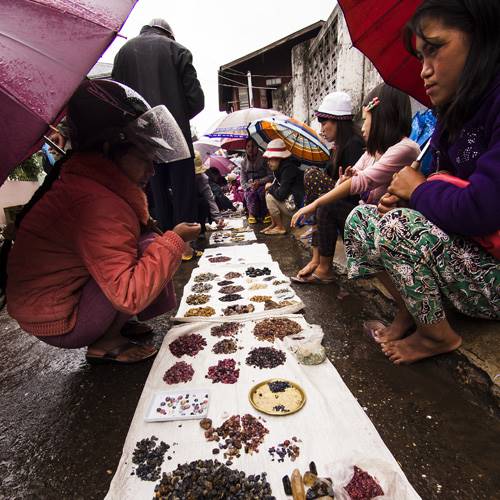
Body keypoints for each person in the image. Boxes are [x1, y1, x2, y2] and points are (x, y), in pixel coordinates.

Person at [343, 0, 500, 364]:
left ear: (481, 40)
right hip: (465, 253)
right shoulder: (452, 117)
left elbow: (482, 209)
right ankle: (410, 311)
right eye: (420, 58)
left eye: (434, 50)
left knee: (399, 227)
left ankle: (436, 337)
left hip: (492, 272)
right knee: (363, 220)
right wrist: (407, 197)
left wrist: (419, 189)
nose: (425, 71)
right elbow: (445, 192)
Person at [6, 79, 201, 364]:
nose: (151, 170)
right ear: (110, 149)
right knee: (151, 246)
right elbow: (128, 295)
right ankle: (105, 343)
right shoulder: (97, 202)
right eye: (144, 157)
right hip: (60, 321)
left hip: (49, 306)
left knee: (146, 240)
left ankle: (113, 325)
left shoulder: (89, 183)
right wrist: (175, 240)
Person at [291, 84, 420, 281]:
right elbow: (352, 179)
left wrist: (314, 204)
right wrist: (344, 180)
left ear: (380, 118)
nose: (362, 127)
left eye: (366, 119)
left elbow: (364, 180)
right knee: (328, 202)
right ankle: (321, 263)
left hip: (383, 223)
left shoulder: (405, 149)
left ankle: (324, 265)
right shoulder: (371, 151)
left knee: (326, 203)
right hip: (366, 217)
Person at [112, 18, 204, 242]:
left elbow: (116, 100)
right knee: (183, 191)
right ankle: (185, 247)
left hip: (139, 138)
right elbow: (196, 100)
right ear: (169, 34)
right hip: (176, 135)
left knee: (154, 191)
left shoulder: (122, 54)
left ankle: (161, 245)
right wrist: (177, 118)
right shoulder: (177, 50)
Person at [292, 92, 365, 283]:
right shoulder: (338, 146)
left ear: (338, 122)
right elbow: (329, 176)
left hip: (355, 206)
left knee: (319, 191)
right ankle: (317, 260)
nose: (322, 128)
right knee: (317, 186)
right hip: (342, 202)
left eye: (325, 122)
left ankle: (322, 265)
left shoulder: (355, 145)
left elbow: (352, 187)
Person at [261, 139, 304, 235]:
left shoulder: (288, 170)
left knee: (269, 196)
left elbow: (281, 195)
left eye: (271, 159)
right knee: (269, 192)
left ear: (279, 158)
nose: (268, 162)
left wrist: (270, 187)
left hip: (297, 209)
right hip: (289, 202)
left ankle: (280, 227)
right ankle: (274, 224)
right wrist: (271, 187)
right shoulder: (279, 169)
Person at [240, 139, 272, 224]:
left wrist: (259, 182)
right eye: (248, 146)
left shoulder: (265, 158)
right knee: (250, 193)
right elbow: (243, 182)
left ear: (257, 147)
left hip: (263, 184)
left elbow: (271, 176)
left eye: (253, 146)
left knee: (262, 192)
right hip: (250, 186)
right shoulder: (243, 163)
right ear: (245, 148)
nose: (250, 149)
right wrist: (250, 185)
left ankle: (267, 213)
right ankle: (251, 214)